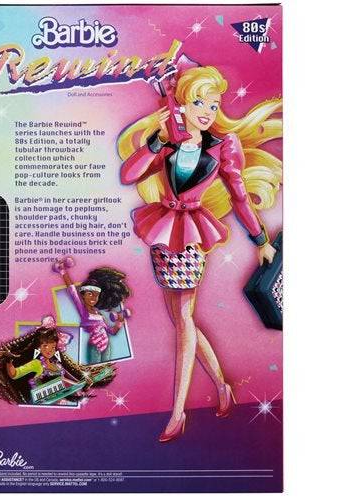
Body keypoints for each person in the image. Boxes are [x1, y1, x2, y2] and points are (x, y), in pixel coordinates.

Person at [117, 64, 282, 441]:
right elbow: (129, 175)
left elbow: (239, 196)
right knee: (182, 319)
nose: (207, 111)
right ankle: (222, 386)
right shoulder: (168, 143)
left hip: (192, 234)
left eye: (213, 104)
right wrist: (157, 140)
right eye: (198, 103)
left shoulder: (223, 146)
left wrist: (260, 240)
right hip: (163, 233)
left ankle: (178, 412)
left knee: (184, 318)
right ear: (181, 105)